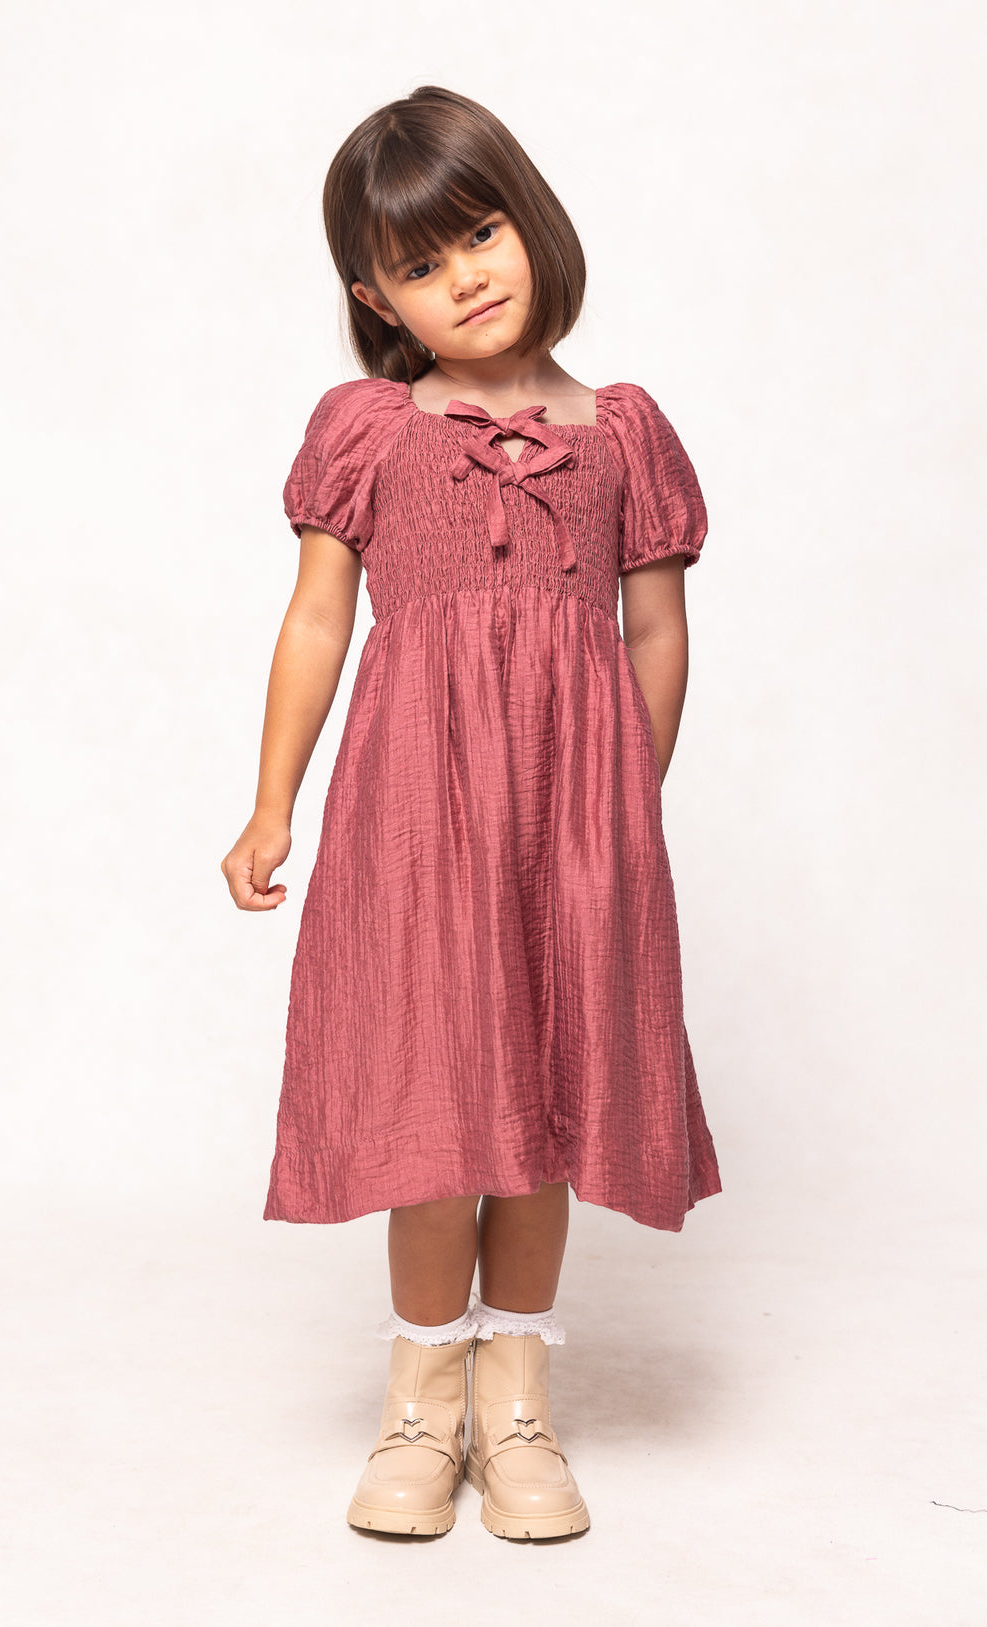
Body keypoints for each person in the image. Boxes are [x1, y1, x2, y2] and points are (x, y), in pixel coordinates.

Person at [220, 84, 722, 1541]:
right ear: (380, 298)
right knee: (438, 1108)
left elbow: (655, 635)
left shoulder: (622, 430)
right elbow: (316, 621)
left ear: (532, 220)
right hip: (413, 819)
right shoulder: (370, 430)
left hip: (574, 820)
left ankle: (516, 1407)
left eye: (483, 231)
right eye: (425, 265)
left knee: (541, 1118)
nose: (469, 276)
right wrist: (272, 802)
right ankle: (421, 1401)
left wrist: (625, 800)